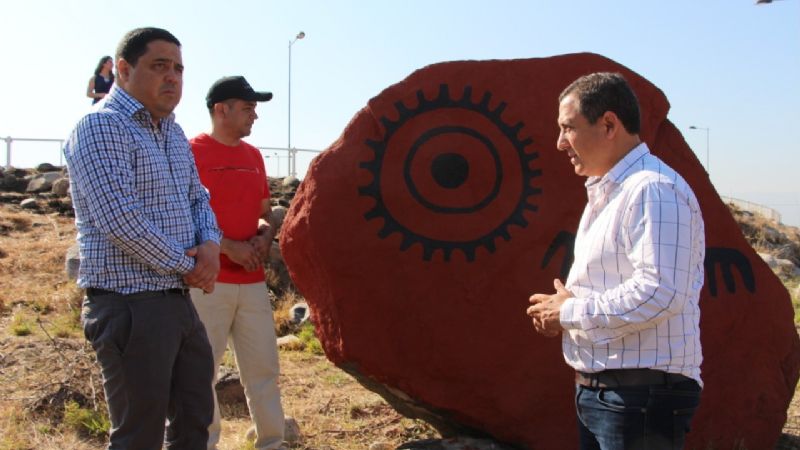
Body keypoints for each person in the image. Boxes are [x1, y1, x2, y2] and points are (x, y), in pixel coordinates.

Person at [526, 72, 705, 450]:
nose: (560, 143)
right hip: (612, 397)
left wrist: (571, 312)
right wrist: (562, 311)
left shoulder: (653, 189)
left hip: (639, 399)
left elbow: (659, 291)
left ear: (609, 124)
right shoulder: (613, 192)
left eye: (568, 128)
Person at [63, 27, 221, 450]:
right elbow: (119, 219)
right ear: (124, 70)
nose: (173, 77)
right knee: (140, 437)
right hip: (130, 305)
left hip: (178, 303)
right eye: (159, 66)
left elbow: (198, 196)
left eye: (179, 69)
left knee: (195, 425)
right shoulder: (101, 127)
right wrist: (190, 265)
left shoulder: (171, 131)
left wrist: (210, 245)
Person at [189, 75, 285, 450]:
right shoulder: (189, 152)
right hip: (207, 282)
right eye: (247, 109)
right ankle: (204, 444)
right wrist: (228, 248)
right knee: (201, 372)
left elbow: (264, 213)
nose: (254, 117)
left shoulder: (253, 156)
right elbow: (180, 216)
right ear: (221, 109)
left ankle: (273, 442)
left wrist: (264, 236)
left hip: (253, 282)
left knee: (264, 370)